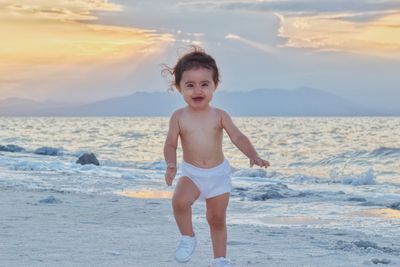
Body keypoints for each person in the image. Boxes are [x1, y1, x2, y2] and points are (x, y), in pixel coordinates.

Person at [163, 47, 270, 267]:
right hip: (192, 173)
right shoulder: (179, 117)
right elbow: (171, 143)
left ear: (215, 85)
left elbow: (237, 137)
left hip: (218, 176)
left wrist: (253, 154)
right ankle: (187, 236)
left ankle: (220, 259)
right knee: (179, 201)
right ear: (179, 88)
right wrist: (171, 164)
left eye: (204, 84)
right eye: (190, 85)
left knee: (217, 219)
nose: (197, 90)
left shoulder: (220, 115)